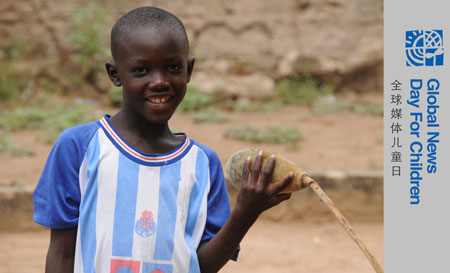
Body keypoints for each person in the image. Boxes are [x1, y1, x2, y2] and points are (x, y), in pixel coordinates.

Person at [33, 6, 294, 273]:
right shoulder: (78, 148)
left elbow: (201, 265)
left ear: (188, 70)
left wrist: (245, 213)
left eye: (172, 68)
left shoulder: (202, 164)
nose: (159, 81)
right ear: (115, 74)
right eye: (141, 70)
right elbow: (62, 254)